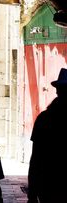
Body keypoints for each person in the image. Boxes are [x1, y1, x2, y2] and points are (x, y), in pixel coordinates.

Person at [27, 68, 67, 203]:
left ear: (57, 91)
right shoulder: (44, 119)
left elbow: (36, 158)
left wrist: (32, 193)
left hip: (48, 184)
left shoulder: (44, 119)